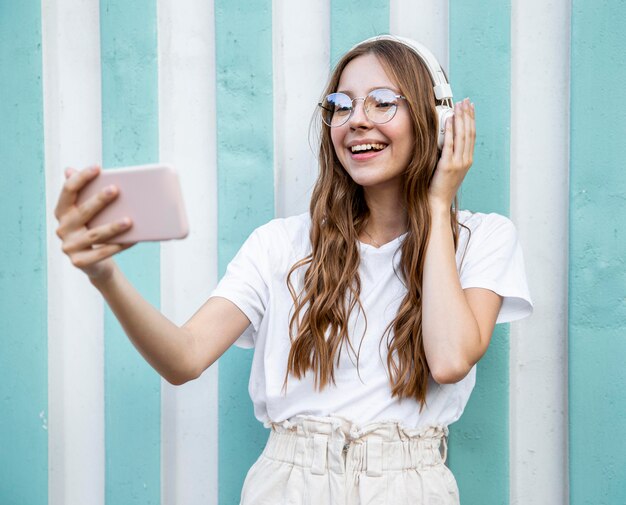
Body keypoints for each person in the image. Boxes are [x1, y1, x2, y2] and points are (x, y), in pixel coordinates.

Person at [55, 35, 533, 504]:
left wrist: (435, 203)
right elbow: (184, 357)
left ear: (439, 123)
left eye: (383, 102)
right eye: (341, 105)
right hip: (288, 487)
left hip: (409, 487)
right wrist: (105, 274)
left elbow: (450, 361)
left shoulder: (481, 239)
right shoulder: (279, 245)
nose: (357, 120)